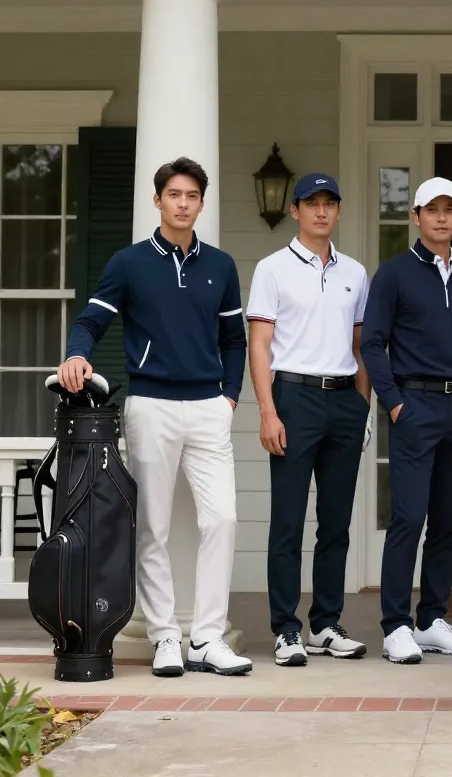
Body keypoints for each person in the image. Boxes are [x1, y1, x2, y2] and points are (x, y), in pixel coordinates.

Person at [57, 156, 251, 677]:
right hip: (151, 407)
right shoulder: (129, 263)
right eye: (174, 195)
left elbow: (234, 340)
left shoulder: (220, 266)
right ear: (158, 200)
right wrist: (77, 355)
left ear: (202, 203)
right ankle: (165, 635)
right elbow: (90, 322)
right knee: (152, 526)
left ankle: (206, 638)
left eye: (192, 196)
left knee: (222, 519)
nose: (183, 204)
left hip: (209, 408)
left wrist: (230, 397)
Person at [246, 172, 372, 667]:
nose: (321, 211)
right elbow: (259, 345)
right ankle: (285, 629)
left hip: (343, 401)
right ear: (295, 210)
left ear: (338, 211)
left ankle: (325, 624)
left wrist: (362, 404)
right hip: (293, 398)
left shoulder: (355, 273)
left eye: (329, 203)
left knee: (336, 522)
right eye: (311, 203)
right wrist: (268, 411)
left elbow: (360, 345)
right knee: (288, 521)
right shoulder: (272, 269)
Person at [361, 176, 452, 664]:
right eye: (433, 210)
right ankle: (396, 625)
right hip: (414, 406)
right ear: (416, 217)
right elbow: (372, 343)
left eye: (450, 209)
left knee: (448, 521)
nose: (442, 218)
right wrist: (393, 403)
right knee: (409, 518)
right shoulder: (394, 275)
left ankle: (430, 620)